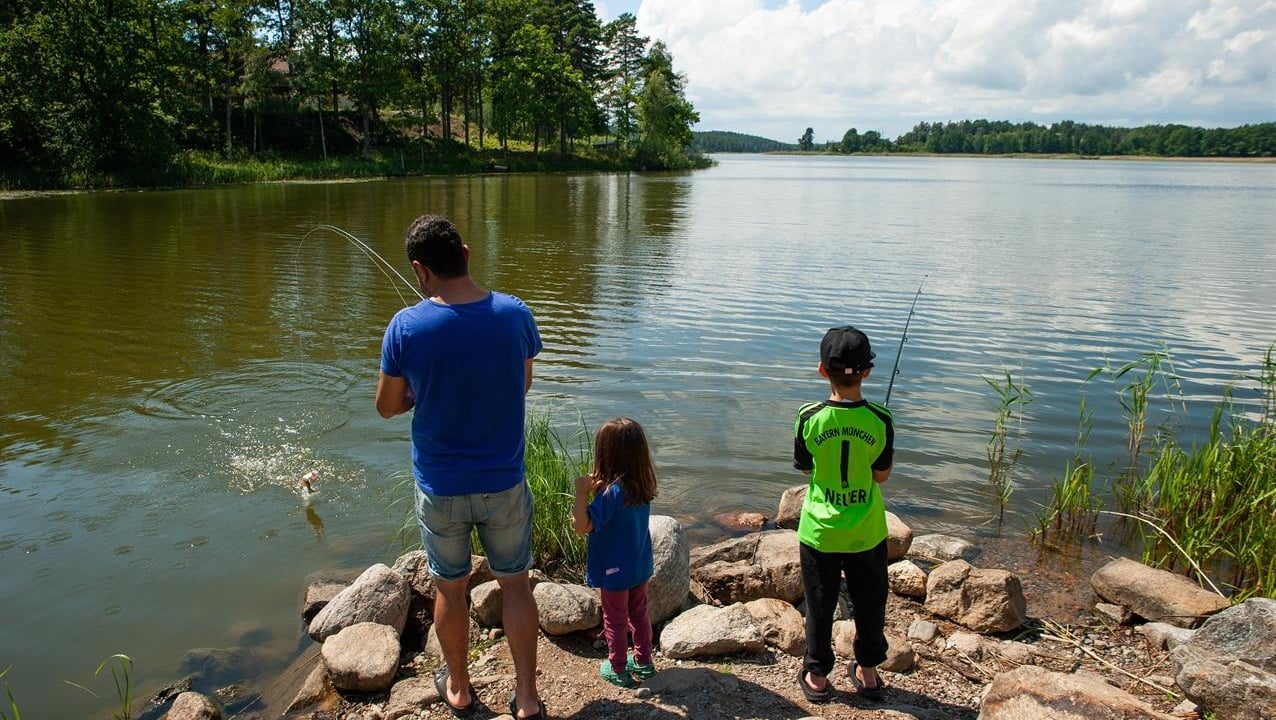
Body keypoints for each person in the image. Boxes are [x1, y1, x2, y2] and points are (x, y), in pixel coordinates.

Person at [376, 214, 546, 720]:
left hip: (441, 486)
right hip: (503, 482)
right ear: (467, 254)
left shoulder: (405, 327)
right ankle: (529, 698)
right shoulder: (515, 315)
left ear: (419, 269)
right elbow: (523, 384)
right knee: (516, 585)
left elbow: (386, 406)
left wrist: (418, 391)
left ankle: (460, 688)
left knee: (449, 589)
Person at [792, 325, 894, 703]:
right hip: (866, 531)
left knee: (819, 604)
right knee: (870, 602)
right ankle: (867, 673)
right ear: (867, 371)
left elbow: (805, 468)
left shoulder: (808, 416)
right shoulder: (881, 419)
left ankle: (817, 677)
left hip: (819, 530)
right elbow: (880, 476)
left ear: (822, 371)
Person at [571, 417, 659, 688]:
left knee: (615, 619)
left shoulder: (610, 494)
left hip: (613, 570)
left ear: (605, 455)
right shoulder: (641, 486)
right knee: (639, 613)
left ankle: (618, 667)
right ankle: (644, 662)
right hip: (639, 565)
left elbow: (582, 526)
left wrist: (581, 491)